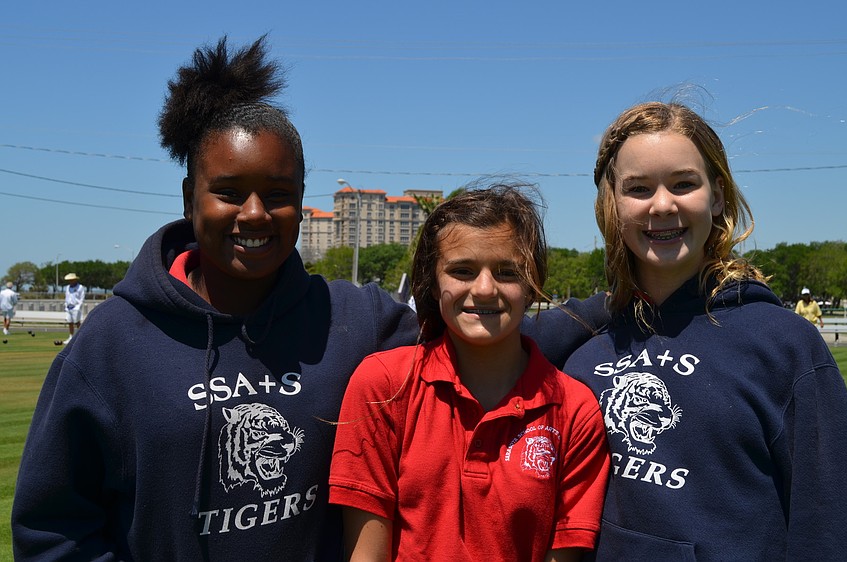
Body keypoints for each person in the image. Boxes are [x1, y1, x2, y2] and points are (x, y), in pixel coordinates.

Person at [11, 37, 604, 561]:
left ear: (300, 196)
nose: (253, 215)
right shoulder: (112, 342)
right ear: (191, 196)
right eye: (228, 192)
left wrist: (620, 308)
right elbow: (55, 529)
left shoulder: (352, 321)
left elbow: (480, 334)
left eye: (277, 193)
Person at [564, 101, 847, 561]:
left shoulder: (784, 347)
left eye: (683, 184)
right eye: (637, 188)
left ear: (717, 195)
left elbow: (829, 525)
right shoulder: (583, 355)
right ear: (611, 204)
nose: (662, 204)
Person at [329, 185, 611, 561]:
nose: (484, 289)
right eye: (462, 270)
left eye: (506, 272)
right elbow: (366, 554)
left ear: (533, 284)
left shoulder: (575, 409)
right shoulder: (383, 384)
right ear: (432, 281)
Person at [62, 272, 85, 344]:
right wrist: (66, 305)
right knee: (70, 322)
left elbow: (82, 297)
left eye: (72, 280)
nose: (70, 281)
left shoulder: (80, 287)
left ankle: (80, 337)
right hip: (69, 307)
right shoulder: (67, 287)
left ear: (75, 279)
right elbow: (67, 297)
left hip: (76, 307)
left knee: (77, 322)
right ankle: (71, 337)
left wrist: (79, 306)